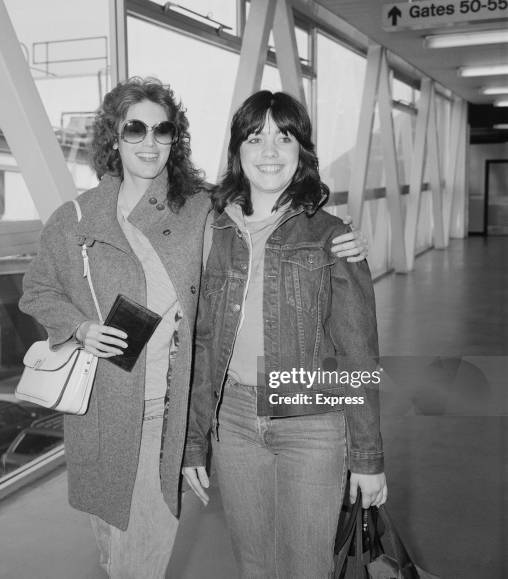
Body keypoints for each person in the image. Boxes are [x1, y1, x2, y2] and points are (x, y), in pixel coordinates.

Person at [20, 78, 368, 578]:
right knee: (115, 550)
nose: (148, 142)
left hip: (172, 410)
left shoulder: (200, 207)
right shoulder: (76, 218)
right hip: (104, 410)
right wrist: (77, 327)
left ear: (174, 139)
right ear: (113, 137)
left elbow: (267, 206)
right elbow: (37, 290)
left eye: (162, 130)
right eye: (134, 129)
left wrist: (339, 236)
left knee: (141, 553)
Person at [182, 90, 387, 579]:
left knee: (306, 568)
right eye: (256, 137)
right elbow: (204, 343)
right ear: (238, 152)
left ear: (301, 153)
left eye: (284, 137)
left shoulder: (331, 235)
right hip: (232, 422)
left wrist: (368, 458)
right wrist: (194, 442)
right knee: (254, 565)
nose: (269, 150)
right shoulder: (216, 231)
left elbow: (358, 354)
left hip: (311, 422)